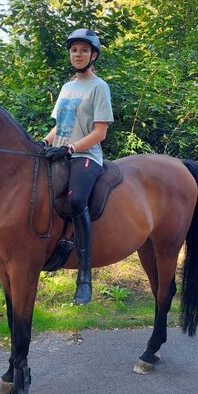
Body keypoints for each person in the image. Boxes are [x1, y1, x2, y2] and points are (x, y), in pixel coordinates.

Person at [42, 28, 114, 305]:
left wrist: (72, 147)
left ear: (93, 54)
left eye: (84, 50)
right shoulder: (67, 87)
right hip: (59, 152)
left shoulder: (99, 87)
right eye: (74, 50)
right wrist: (43, 142)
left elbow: (100, 132)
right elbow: (60, 126)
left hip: (86, 156)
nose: (78, 54)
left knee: (77, 200)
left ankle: (84, 277)